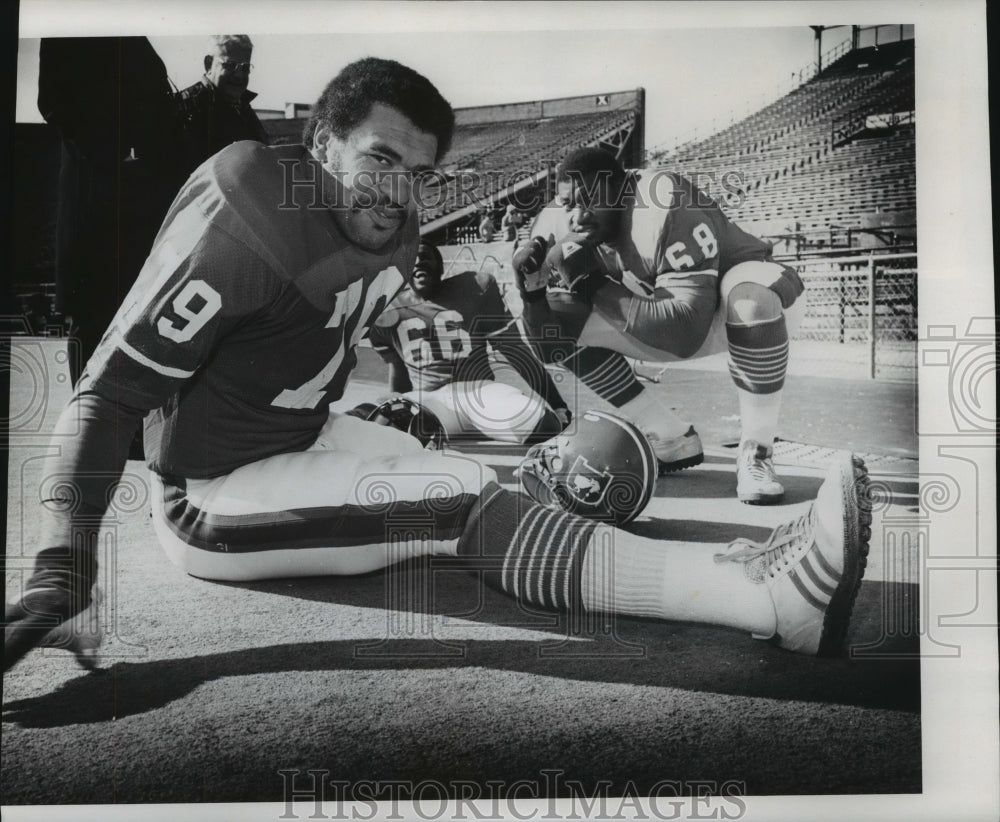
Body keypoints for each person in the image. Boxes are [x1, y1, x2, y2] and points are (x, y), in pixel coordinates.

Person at [3, 58, 870, 675]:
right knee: (449, 498)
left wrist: (481, 322)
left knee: (447, 465)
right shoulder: (246, 209)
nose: (400, 190)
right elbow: (106, 395)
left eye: (421, 172)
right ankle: (766, 600)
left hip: (302, 436)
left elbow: (378, 320)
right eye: (381, 158)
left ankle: (561, 537)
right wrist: (62, 569)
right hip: (208, 488)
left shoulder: (394, 223)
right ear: (321, 145)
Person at [513, 147, 807, 504]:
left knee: (749, 297)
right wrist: (531, 293)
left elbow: (685, 334)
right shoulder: (556, 223)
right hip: (662, 308)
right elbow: (548, 348)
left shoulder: (662, 204)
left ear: (622, 190)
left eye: (590, 200)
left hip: (747, 298)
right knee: (560, 316)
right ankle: (669, 435)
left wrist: (589, 283)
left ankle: (757, 450)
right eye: (569, 204)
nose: (577, 216)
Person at [38, 36, 186, 387]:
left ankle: (125, 432)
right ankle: (87, 423)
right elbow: (53, 104)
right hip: (96, 204)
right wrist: (121, 150)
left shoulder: (135, 37)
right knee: (93, 321)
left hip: (139, 208)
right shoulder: (69, 28)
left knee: (135, 320)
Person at [367, 241, 570, 444]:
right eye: (412, 258)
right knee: (376, 426)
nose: (419, 262)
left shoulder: (475, 288)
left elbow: (515, 351)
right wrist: (397, 404)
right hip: (429, 401)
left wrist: (558, 404)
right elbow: (399, 370)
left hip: (479, 392)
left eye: (426, 256)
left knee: (543, 424)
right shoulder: (387, 309)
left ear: (441, 267)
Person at [175, 35, 269, 172]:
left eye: (245, 68)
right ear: (208, 64)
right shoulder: (186, 109)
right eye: (230, 66)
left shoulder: (242, 107)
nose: (239, 75)